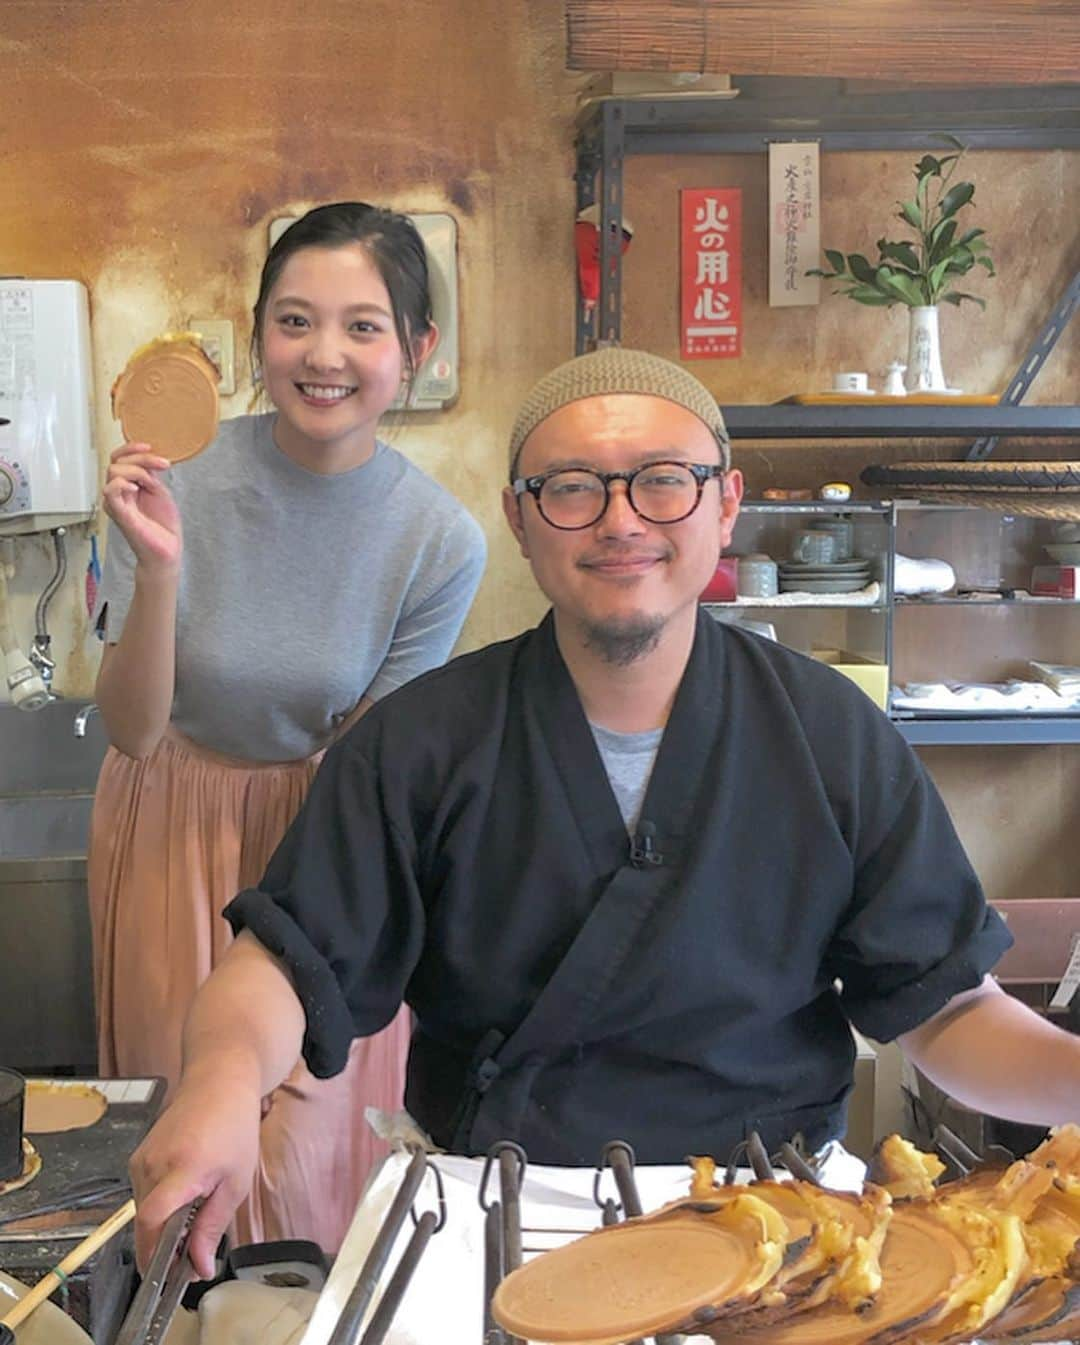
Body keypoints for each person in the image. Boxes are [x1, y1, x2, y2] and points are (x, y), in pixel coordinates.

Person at [129, 347, 1080, 1277]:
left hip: (782, 1215)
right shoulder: (419, 740)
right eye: (573, 487)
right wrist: (215, 1088)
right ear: (519, 516)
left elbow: (949, 1006)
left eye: (664, 481)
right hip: (495, 1209)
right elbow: (280, 967)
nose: (622, 520)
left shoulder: (833, 733)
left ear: (726, 502)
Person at [89, 202, 486, 1255]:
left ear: (417, 348)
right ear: (257, 334)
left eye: (363, 326)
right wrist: (161, 570)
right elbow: (131, 731)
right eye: (295, 321)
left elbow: (377, 758)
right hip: (171, 813)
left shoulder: (438, 539)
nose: (324, 355)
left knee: (315, 1156)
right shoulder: (170, 482)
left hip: (331, 831)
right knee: (185, 1134)